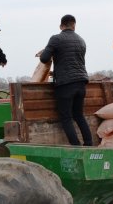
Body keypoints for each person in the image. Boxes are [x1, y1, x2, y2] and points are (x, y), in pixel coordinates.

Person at [37, 14, 93, 146]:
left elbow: (44, 58)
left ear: (61, 26)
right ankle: (89, 144)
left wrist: (47, 51)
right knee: (79, 115)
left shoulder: (56, 38)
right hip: (81, 82)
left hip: (65, 84)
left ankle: (76, 147)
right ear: (74, 25)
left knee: (66, 117)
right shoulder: (81, 40)